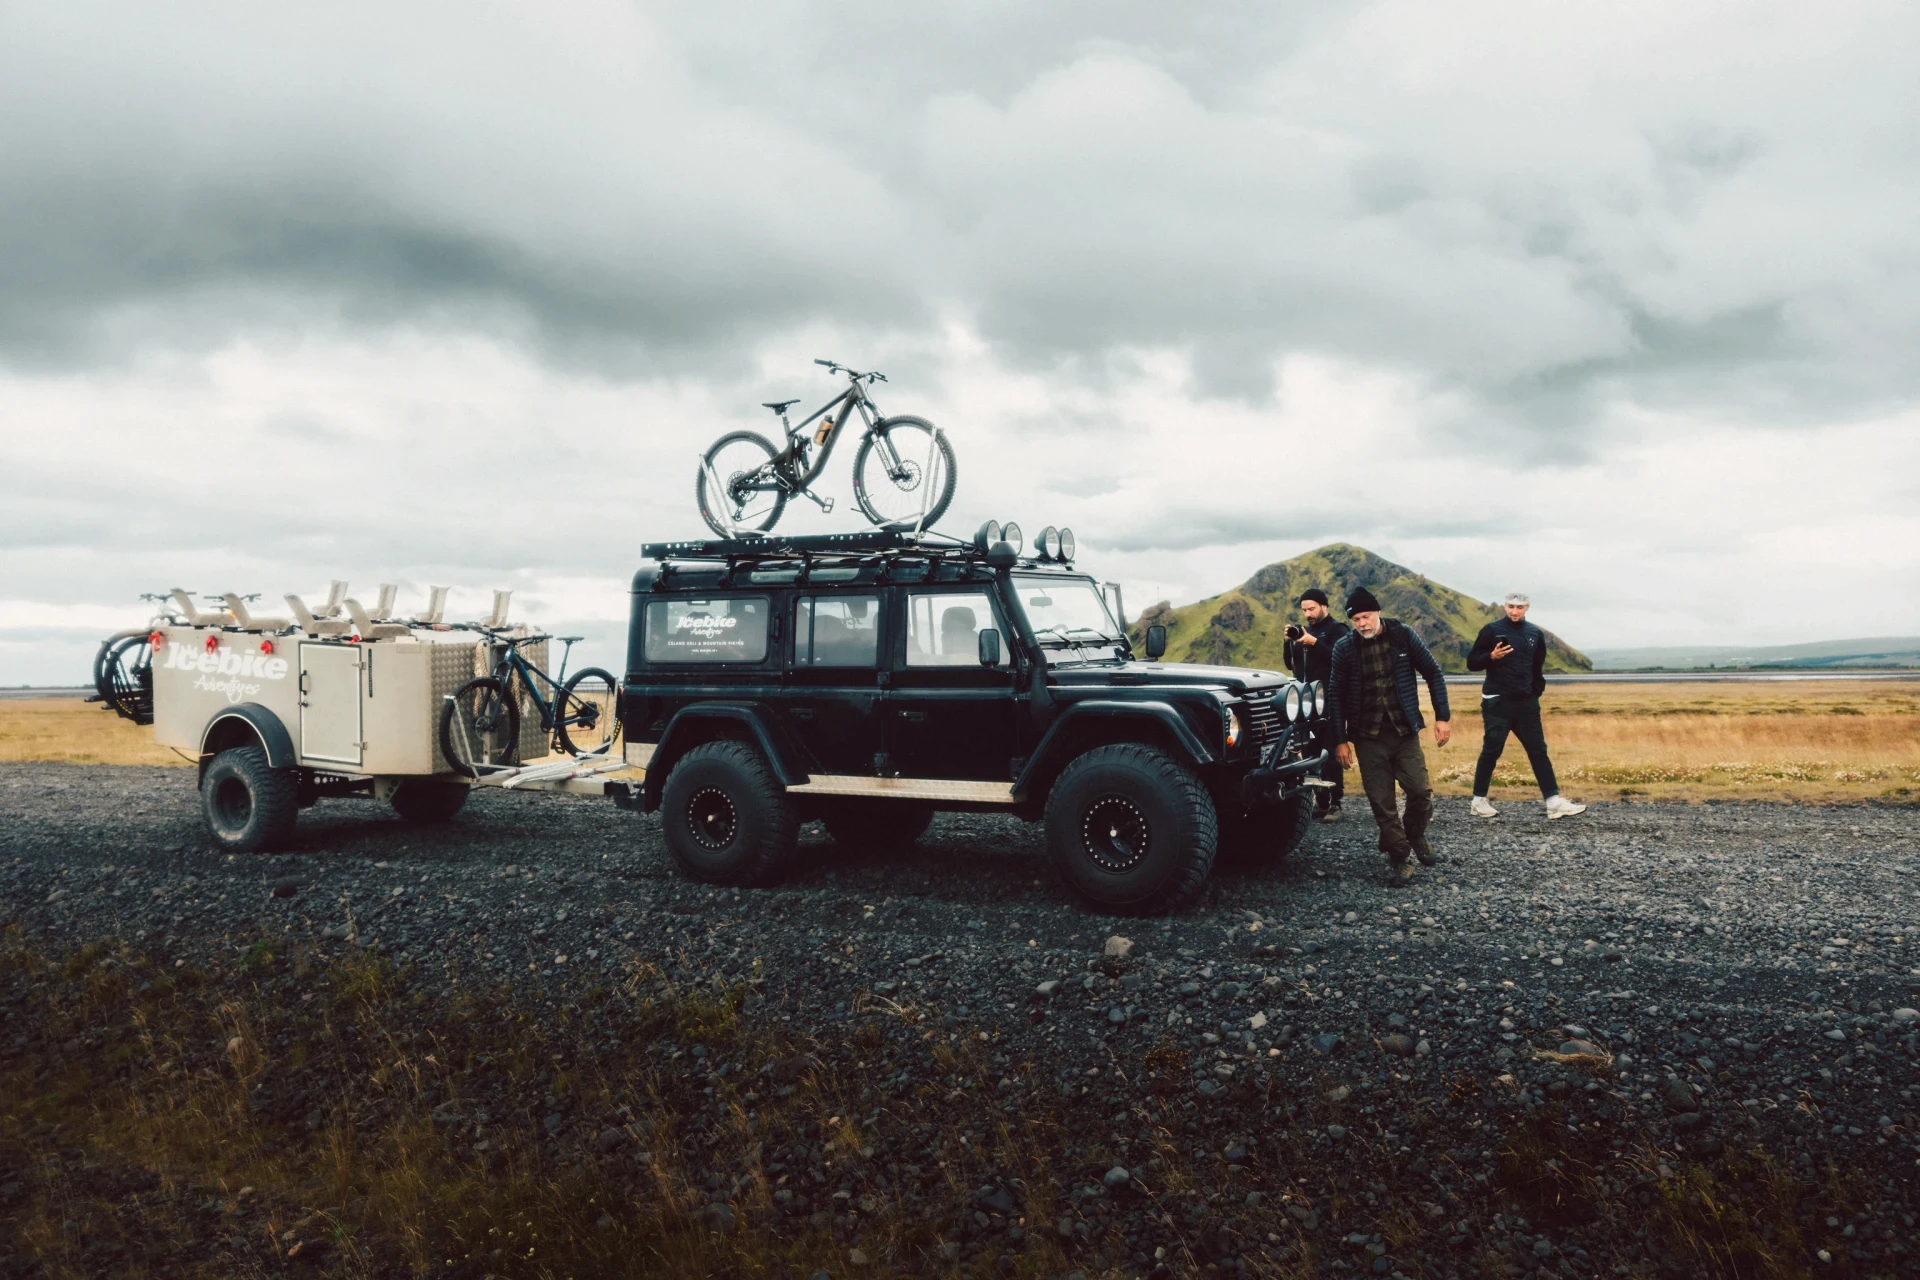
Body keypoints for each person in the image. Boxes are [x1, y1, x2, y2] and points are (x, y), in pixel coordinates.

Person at [1326, 587, 1451, 880]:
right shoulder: (1344, 648)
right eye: (1356, 619)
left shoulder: (1402, 635)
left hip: (1403, 731)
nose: (1362, 624)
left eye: (1366, 616)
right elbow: (1335, 695)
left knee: (1420, 792)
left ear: (1378, 613)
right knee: (1382, 801)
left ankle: (1414, 833)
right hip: (1368, 736)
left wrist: (1442, 717)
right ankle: (1400, 856)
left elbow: (1433, 672)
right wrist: (1340, 740)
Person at [1466, 592, 1586, 820]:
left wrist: (1534, 694)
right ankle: (1478, 802)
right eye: (1511, 606)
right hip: (1498, 700)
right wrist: (1491, 656)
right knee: (1492, 749)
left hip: (1526, 703)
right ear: (1505, 606)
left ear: (1527, 608)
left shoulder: (1534, 633)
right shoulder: (1491, 630)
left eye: (1519, 607)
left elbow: (1537, 667)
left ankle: (1553, 803)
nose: (1514, 611)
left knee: (1538, 750)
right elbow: (1471, 662)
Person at [1283, 588, 1351, 820]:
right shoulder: (1305, 631)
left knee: (1330, 754)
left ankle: (1336, 804)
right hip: (1307, 704)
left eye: (1311, 609)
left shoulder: (1338, 630)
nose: (1308, 614)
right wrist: (1288, 642)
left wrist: (1314, 643)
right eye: (1304, 610)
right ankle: (1321, 802)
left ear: (1324, 606)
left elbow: (1342, 660)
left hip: (1331, 702)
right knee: (1310, 754)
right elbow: (1291, 665)